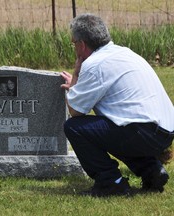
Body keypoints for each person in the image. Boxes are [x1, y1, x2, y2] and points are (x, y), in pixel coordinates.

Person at [60, 13, 174, 197]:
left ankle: (111, 183)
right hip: (166, 132)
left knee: (75, 128)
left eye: (73, 43)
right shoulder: (126, 53)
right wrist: (79, 86)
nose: (74, 47)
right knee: (116, 124)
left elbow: (75, 111)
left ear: (81, 45)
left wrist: (76, 75)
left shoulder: (94, 65)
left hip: (141, 132)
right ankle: (152, 171)